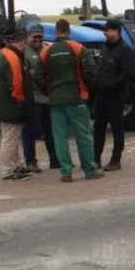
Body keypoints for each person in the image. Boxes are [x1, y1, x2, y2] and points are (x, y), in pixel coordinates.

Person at [41, 19, 102, 182]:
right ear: (69, 31)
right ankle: (89, 170)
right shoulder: (78, 48)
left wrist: (49, 92)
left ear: (55, 32)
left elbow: (39, 77)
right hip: (77, 98)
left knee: (60, 137)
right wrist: (91, 90)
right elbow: (90, 72)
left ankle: (66, 172)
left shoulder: (46, 52)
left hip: (55, 100)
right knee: (83, 135)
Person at [0, 29, 34, 181]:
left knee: (10, 137)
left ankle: (18, 165)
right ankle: (8, 170)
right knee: (10, 138)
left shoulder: (1, 54)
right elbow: (16, 84)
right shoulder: (13, 59)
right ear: (23, 42)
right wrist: (21, 103)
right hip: (8, 105)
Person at [93, 18, 135, 171]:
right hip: (101, 95)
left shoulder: (125, 50)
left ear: (115, 31)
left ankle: (115, 160)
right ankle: (95, 158)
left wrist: (112, 84)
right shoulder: (104, 47)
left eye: (108, 30)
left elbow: (129, 73)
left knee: (117, 128)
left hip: (116, 95)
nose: (106, 33)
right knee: (98, 127)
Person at [21, 24, 60, 172]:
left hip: (48, 97)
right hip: (32, 98)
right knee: (29, 130)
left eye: (40, 36)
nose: (37, 39)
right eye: (34, 36)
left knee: (51, 129)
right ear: (28, 36)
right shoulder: (24, 53)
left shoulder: (48, 49)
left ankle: (55, 159)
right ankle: (30, 161)